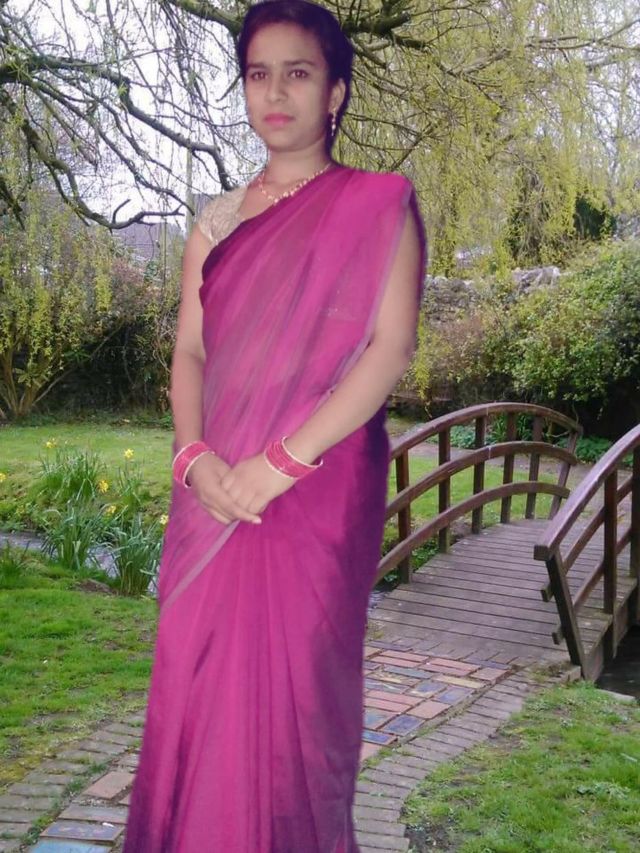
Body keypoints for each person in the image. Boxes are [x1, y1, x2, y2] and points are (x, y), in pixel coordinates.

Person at [122, 1, 426, 850]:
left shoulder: (379, 205)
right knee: (197, 682)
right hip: (214, 488)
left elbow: (389, 349)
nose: (276, 93)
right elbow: (190, 351)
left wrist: (281, 462)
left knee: (300, 698)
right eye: (259, 74)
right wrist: (194, 459)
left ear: (335, 93)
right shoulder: (215, 223)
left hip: (316, 491)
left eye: (298, 73)